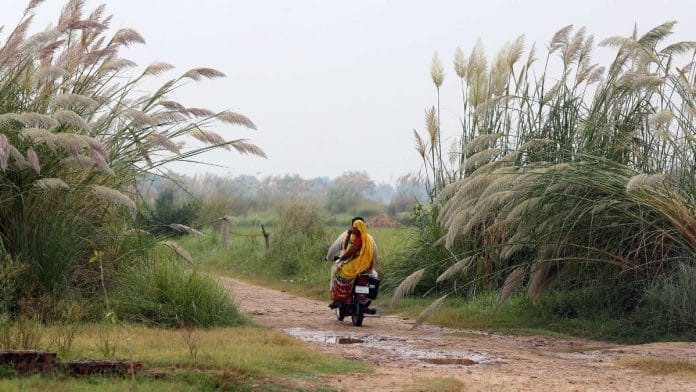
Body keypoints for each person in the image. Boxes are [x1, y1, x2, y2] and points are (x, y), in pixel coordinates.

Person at [328, 218, 377, 306]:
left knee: (337, 271)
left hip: (358, 264)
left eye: (355, 228)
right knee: (374, 276)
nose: (353, 229)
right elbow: (375, 254)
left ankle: (340, 297)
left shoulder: (358, 238)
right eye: (353, 227)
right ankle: (367, 297)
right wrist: (349, 234)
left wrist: (341, 258)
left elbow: (351, 251)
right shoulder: (368, 238)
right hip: (367, 266)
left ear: (359, 228)